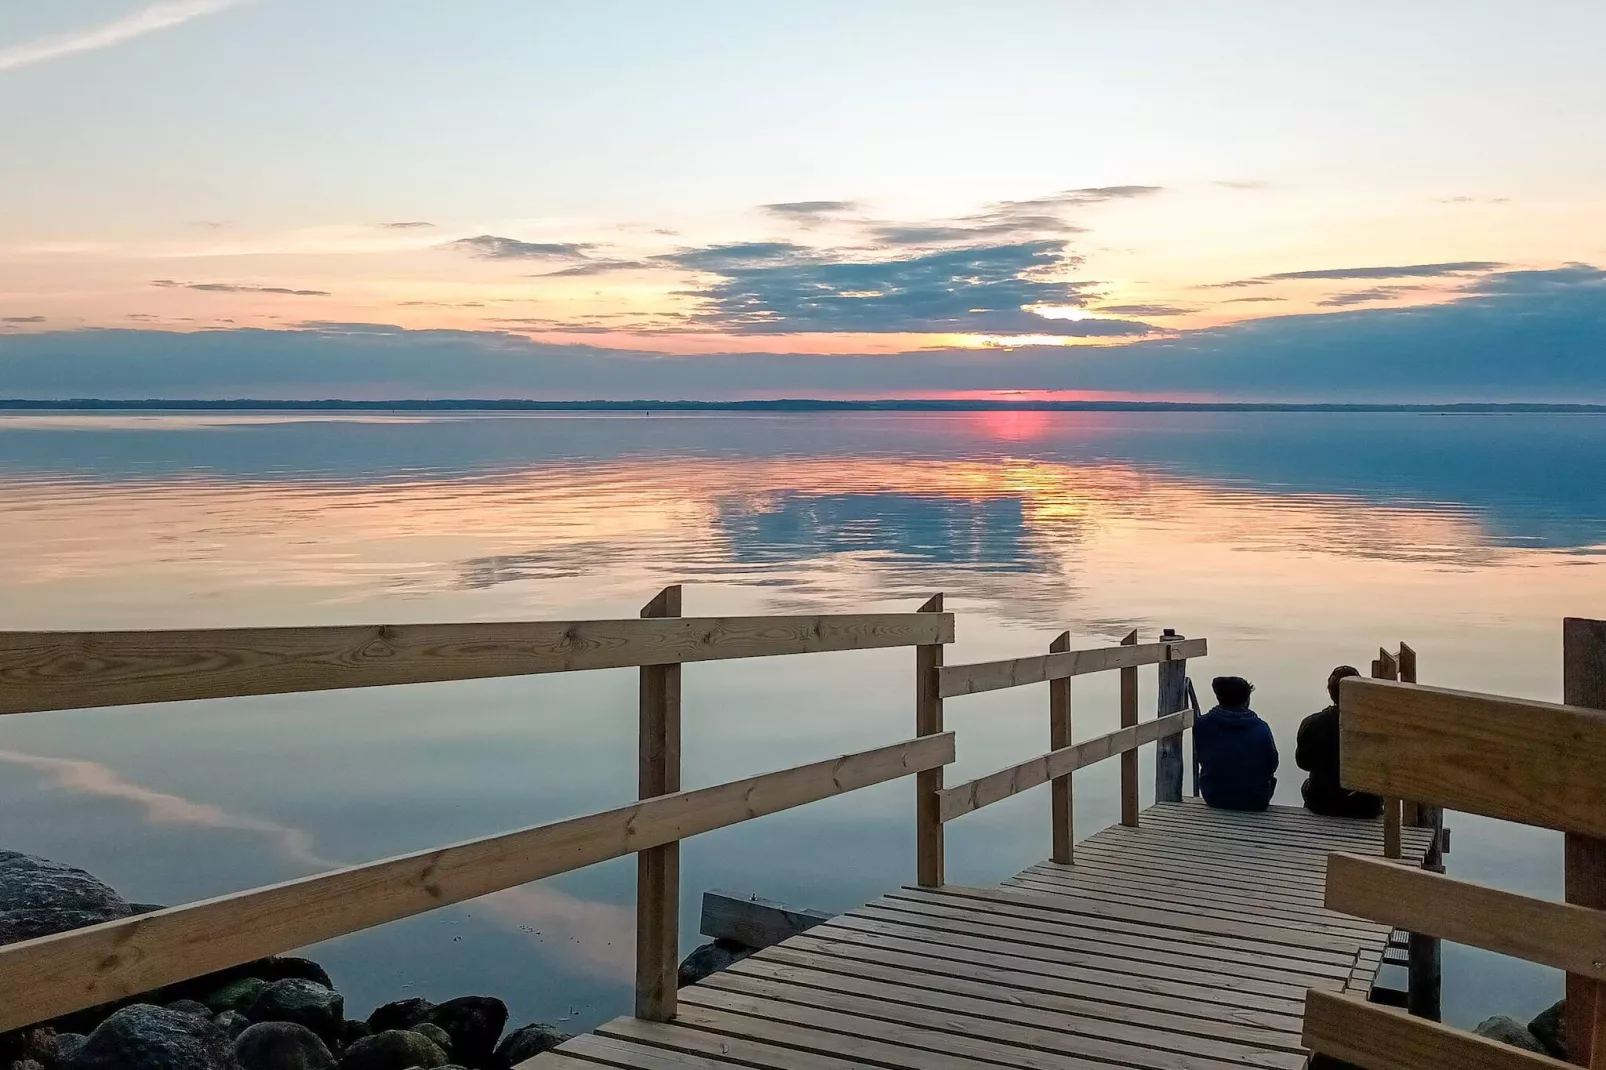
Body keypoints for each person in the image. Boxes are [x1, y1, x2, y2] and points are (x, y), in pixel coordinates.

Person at [1295, 665, 1384, 818]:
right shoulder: (1374, 725)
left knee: (1307, 786)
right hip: (1364, 805)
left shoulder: (1312, 723)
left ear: (1330, 692)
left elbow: (1303, 763)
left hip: (1322, 802)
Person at [1193, 676, 1278, 811]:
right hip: (1255, 800)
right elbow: (1272, 764)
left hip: (1214, 797)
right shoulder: (1261, 728)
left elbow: (1201, 757)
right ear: (1247, 700)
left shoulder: (1202, 725)